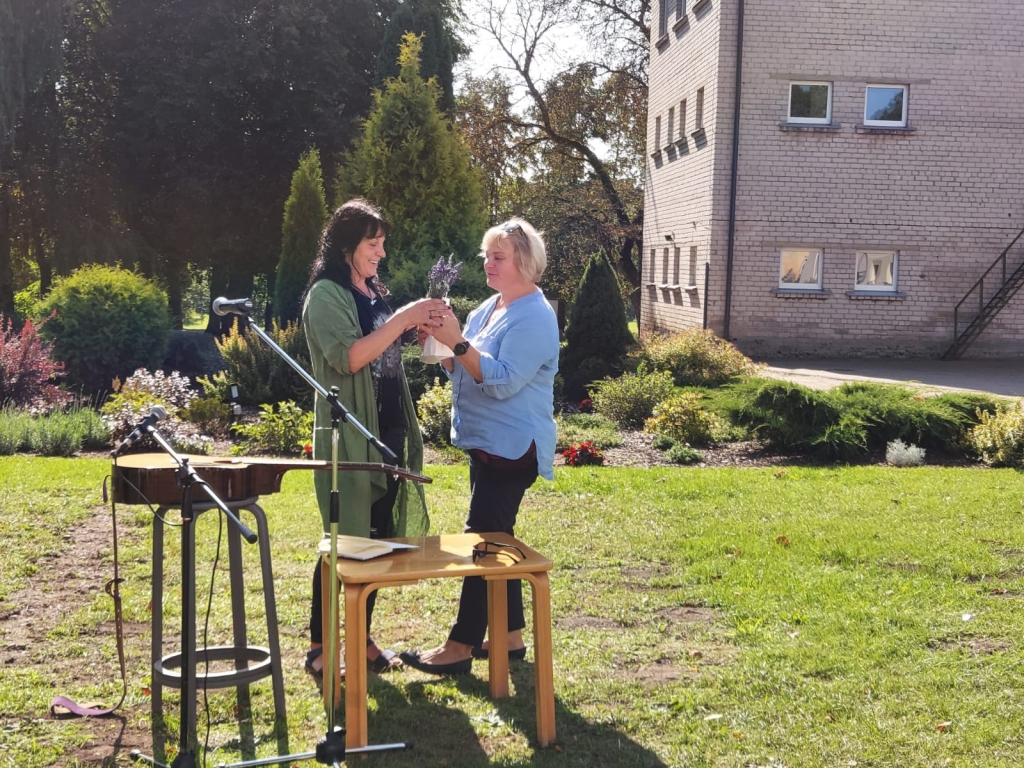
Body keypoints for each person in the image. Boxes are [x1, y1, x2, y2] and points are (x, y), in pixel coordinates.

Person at [400, 218, 559, 675]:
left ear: (525, 263)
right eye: (486, 255)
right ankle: (508, 638)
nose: (488, 264)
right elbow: (465, 369)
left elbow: (504, 381)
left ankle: (460, 646)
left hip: (512, 450)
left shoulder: (536, 317)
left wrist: (459, 342)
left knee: (482, 542)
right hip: (485, 445)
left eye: (499, 257)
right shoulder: (490, 307)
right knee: (498, 538)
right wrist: (441, 346)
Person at [301, 198, 448, 679]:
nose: (381, 252)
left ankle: (360, 639)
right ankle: (322, 648)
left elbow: (381, 343)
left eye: (382, 243)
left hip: (386, 427)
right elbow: (348, 358)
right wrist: (404, 317)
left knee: (379, 540)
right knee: (344, 542)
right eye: (372, 243)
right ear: (346, 245)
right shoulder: (326, 294)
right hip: (351, 432)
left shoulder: (368, 288)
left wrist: (415, 328)